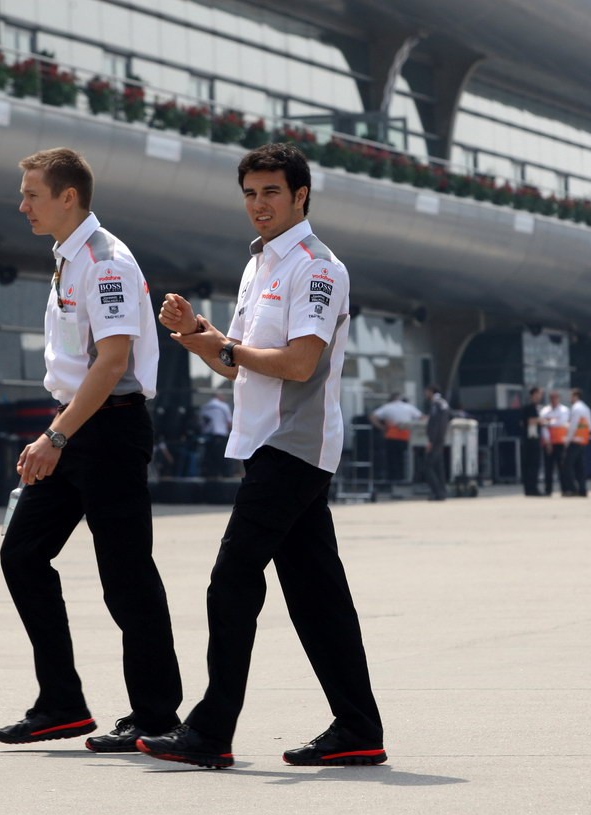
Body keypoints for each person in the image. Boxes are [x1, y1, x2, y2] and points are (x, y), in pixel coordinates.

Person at [141, 142, 385, 769]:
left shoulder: (317, 268)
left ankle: (210, 731)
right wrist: (201, 338)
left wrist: (226, 346)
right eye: (250, 193)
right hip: (263, 445)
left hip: (294, 447)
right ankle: (358, 728)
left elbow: (300, 364)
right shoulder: (258, 267)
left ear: (300, 195)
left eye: (271, 192)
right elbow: (240, 366)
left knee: (230, 582)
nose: (259, 205)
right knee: (316, 594)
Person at [0, 147, 183, 753]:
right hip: (77, 424)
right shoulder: (67, 258)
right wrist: (60, 429)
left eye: (32, 193)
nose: (22, 204)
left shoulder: (105, 263)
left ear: (67, 196)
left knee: (125, 576)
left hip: (108, 429)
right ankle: (62, 704)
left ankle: (155, 715)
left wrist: (56, 435)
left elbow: (112, 363)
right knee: (22, 555)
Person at [369, 393, 422, 485]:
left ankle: (393, 479)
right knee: (405, 459)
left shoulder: (387, 407)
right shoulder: (408, 407)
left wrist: (381, 427)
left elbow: (372, 416)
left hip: (391, 436)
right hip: (405, 436)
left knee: (392, 459)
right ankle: (404, 478)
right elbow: (421, 417)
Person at [539, 390, 570, 496]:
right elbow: (543, 426)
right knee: (548, 468)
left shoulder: (564, 410)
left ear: (559, 399)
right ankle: (548, 490)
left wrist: (548, 422)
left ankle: (565, 489)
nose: (554, 400)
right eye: (552, 398)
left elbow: (561, 423)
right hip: (548, 443)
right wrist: (547, 442)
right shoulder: (545, 410)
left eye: (556, 397)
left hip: (560, 442)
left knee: (562, 467)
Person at [564, 387, 591, 497]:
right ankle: (582, 489)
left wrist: (567, 440)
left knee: (567, 466)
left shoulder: (576, 408)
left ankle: (572, 489)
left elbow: (573, 426)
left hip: (575, 440)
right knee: (580, 467)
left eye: (571, 396)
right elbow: (590, 427)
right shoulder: (586, 408)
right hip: (583, 441)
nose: (570, 398)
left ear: (576, 396)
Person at [424, 384, 451, 501]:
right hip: (441, 438)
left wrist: (431, 440)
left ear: (431, 391)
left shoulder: (436, 404)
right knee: (439, 468)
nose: (426, 394)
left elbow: (435, 424)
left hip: (435, 440)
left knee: (428, 466)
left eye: (427, 392)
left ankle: (437, 492)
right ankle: (442, 491)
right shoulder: (443, 403)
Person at [199, 392, 233, 478]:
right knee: (222, 457)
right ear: (219, 396)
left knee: (210, 458)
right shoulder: (223, 406)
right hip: (220, 435)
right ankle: (225, 475)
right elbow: (229, 423)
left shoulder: (205, 407)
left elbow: (202, 422)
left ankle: (211, 475)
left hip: (208, 436)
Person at [520, 386, 544, 496]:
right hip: (531, 440)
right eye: (539, 394)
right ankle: (531, 488)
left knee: (531, 465)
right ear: (534, 394)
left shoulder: (536, 407)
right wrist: (542, 420)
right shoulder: (530, 407)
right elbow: (530, 421)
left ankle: (530, 488)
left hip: (531, 439)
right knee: (532, 465)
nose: (541, 396)